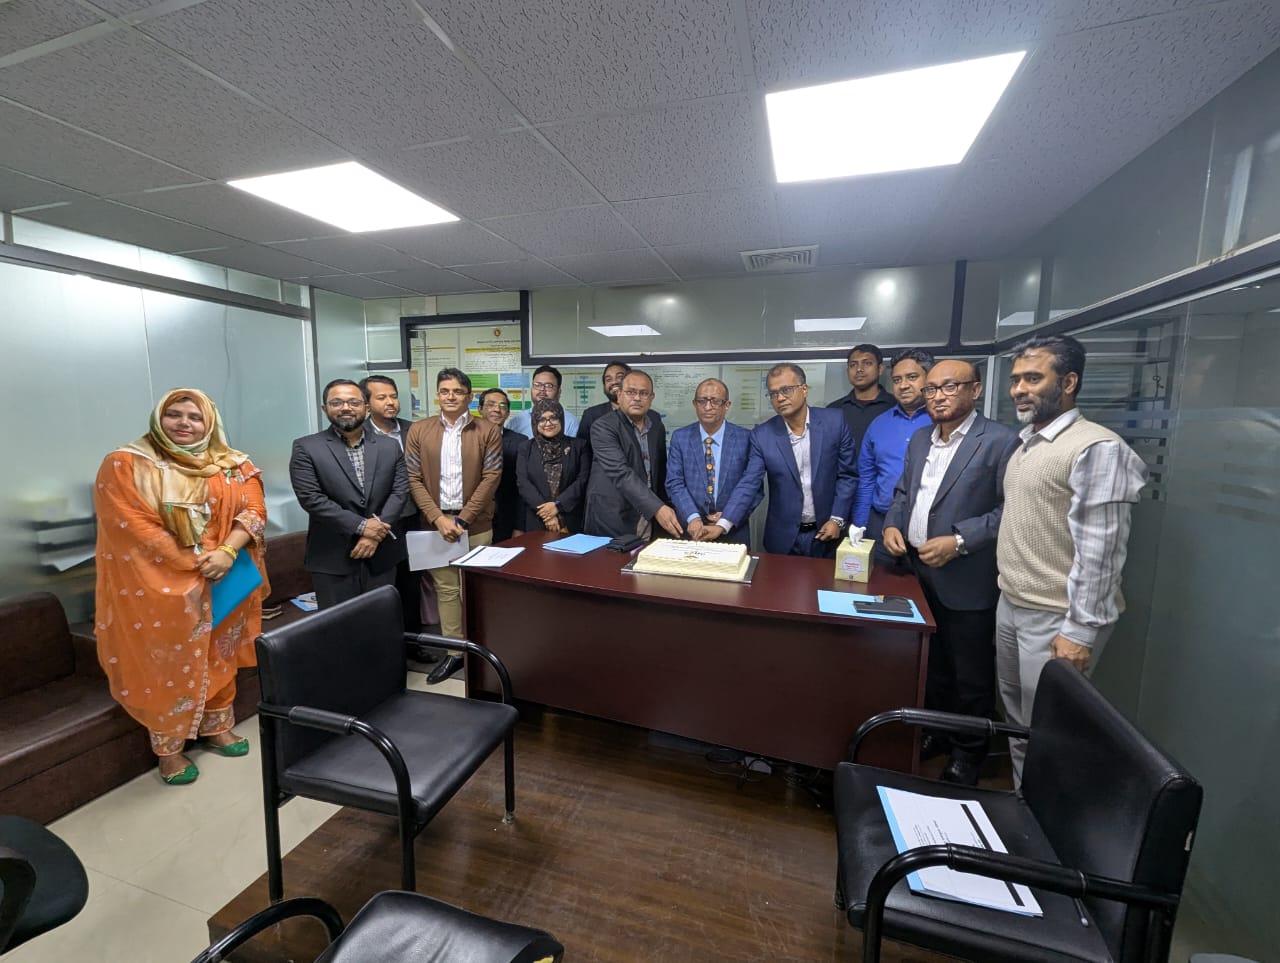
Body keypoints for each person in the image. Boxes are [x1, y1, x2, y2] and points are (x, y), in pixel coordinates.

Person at [93, 388, 266, 786]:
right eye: (175, 414)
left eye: (196, 416)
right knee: (164, 662)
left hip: (225, 574)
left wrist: (226, 552)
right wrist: (195, 563)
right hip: (159, 584)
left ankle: (217, 727)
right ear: (159, 418)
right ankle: (169, 750)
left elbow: (254, 510)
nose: (185, 423)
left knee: (219, 651)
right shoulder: (127, 463)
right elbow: (131, 526)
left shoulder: (232, 463)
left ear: (210, 423)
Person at [996, 334, 1148, 785]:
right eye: (1016, 379)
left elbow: (1101, 552)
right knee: (1019, 722)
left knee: (1052, 731)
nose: (1019, 389)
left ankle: (1048, 817)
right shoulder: (1027, 444)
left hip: (1057, 617)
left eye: (1033, 378)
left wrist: (1080, 632)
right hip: (1014, 604)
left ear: (1068, 382)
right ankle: (1025, 805)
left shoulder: (1097, 448)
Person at [882, 360, 1020, 785]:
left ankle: (968, 753)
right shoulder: (921, 438)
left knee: (970, 675)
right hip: (916, 571)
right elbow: (904, 492)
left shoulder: (1000, 441)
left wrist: (959, 541)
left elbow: (1011, 510)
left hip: (966, 578)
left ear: (975, 390)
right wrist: (892, 524)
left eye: (950, 387)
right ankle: (937, 733)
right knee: (932, 666)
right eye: (932, 389)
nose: (938, 396)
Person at [404, 368, 502, 683]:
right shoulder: (419, 430)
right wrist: (438, 518)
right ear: (437, 395)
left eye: (458, 391)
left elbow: (491, 477)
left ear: (469, 396)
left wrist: (462, 519)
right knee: (446, 590)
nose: (450, 396)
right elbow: (414, 479)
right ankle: (454, 654)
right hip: (435, 524)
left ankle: (483, 651)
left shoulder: (488, 430)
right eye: (445, 391)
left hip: (476, 523)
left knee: (477, 589)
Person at [289, 379, 408, 610]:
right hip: (332, 559)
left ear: (366, 407)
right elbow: (311, 498)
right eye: (337, 403)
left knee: (381, 622)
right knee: (339, 627)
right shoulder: (307, 447)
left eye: (354, 402)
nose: (346, 408)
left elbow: (400, 491)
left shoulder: (389, 446)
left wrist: (374, 534)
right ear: (324, 408)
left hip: (382, 555)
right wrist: (363, 527)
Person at [735, 364, 856, 558]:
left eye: (786, 390)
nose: (780, 398)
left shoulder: (834, 422)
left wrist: (837, 519)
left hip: (827, 532)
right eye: (773, 393)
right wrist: (724, 523)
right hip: (783, 539)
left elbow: (848, 476)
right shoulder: (762, 435)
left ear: (804, 389)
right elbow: (750, 482)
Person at [359, 375, 425, 633]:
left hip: (412, 517)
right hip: (377, 523)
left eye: (393, 396)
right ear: (367, 404)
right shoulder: (358, 433)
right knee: (383, 587)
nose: (390, 402)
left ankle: (414, 643)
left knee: (412, 584)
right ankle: (387, 643)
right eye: (382, 397)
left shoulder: (414, 430)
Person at [584, 369, 683, 540]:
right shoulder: (603, 427)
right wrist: (657, 508)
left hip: (648, 514)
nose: (637, 398)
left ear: (651, 398)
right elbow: (620, 473)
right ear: (619, 395)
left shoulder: (656, 425)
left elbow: (659, 471)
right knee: (610, 558)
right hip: (612, 515)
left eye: (643, 393)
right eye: (631, 392)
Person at [853, 349, 935, 554]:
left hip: (929, 529)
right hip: (880, 526)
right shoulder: (879, 425)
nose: (903, 385)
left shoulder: (942, 422)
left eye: (912, 377)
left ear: (929, 378)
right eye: (897, 380)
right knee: (879, 575)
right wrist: (860, 526)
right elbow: (866, 479)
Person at [665, 377, 762, 543]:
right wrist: (693, 517)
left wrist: (726, 519)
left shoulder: (746, 438)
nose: (708, 407)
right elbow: (674, 482)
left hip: (732, 531)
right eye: (702, 401)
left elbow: (753, 487)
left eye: (715, 401)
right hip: (692, 531)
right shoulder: (680, 437)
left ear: (727, 405)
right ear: (695, 404)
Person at [516, 399, 592, 533]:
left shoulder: (579, 446)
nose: (548, 423)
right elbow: (523, 482)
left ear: (561, 419)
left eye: (553, 418)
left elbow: (582, 480)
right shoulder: (525, 448)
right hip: (537, 519)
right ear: (535, 422)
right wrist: (548, 515)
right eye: (542, 419)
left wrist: (557, 506)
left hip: (571, 517)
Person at [827, 343, 894, 456]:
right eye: (853, 365)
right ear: (847, 371)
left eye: (867, 363)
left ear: (880, 369)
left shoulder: (895, 406)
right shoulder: (833, 410)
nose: (859, 369)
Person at [478, 387, 526, 543]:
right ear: (480, 409)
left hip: (506, 518)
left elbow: (522, 487)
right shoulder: (466, 439)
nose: (497, 410)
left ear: (507, 413)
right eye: (491, 404)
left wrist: (519, 526)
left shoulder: (520, 442)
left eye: (502, 406)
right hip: (474, 518)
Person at [506, 365, 581, 439]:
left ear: (559, 391)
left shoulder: (571, 422)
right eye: (537, 385)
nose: (542, 389)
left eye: (548, 385)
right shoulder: (516, 421)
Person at [578, 361, 631, 447]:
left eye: (620, 377)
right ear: (604, 386)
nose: (614, 382)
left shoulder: (649, 416)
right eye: (608, 379)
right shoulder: (591, 415)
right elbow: (582, 450)